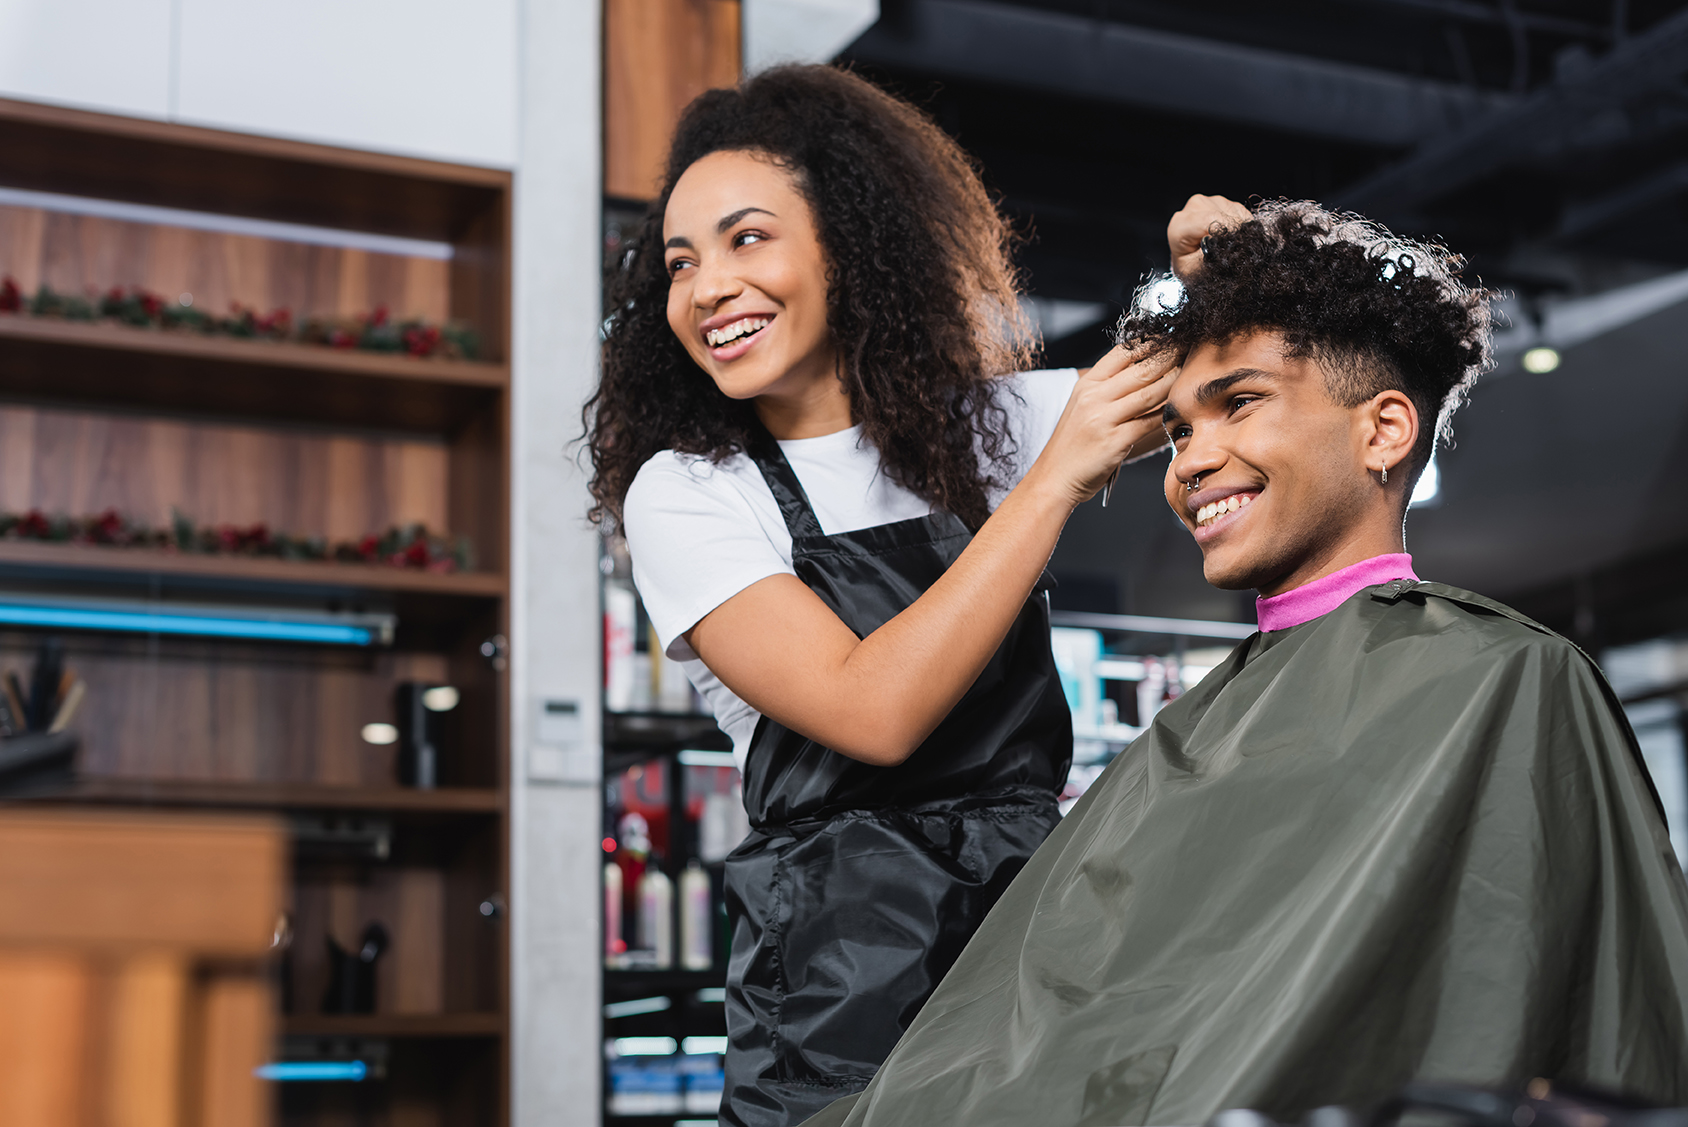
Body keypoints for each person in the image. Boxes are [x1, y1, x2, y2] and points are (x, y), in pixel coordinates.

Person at [799, 200, 1688, 1127]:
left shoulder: (1507, 684)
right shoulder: (1194, 731)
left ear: (1384, 431)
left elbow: (1596, 1025)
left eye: (1241, 403)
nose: (1190, 461)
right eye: (1180, 430)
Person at [587, 66, 1217, 1127]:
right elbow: (868, 709)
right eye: (679, 262)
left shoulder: (994, 424)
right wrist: (1054, 476)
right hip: (838, 976)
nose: (703, 288)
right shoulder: (690, 490)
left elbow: (1234, 375)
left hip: (1026, 930)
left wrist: (1223, 276)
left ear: (851, 241)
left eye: (747, 240)